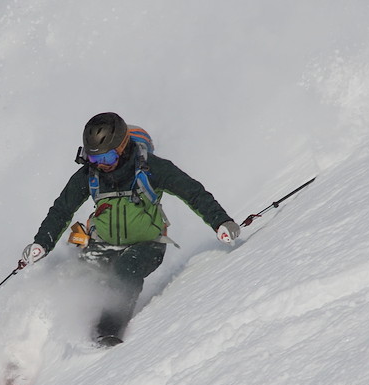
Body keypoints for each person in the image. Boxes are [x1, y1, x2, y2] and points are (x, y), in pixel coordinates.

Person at [22, 112, 240, 347]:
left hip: (147, 245)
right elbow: (62, 210)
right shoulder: (89, 174)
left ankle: (107, 331)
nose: (101, 165)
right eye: (94, 159)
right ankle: (39, 338)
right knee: (82, 277)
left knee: (125, 270)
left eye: (106, 157)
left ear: (123, 147)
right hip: (103, 242)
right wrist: (42, 243)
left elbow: (193, 193)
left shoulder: (152, 168)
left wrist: (221, 222)